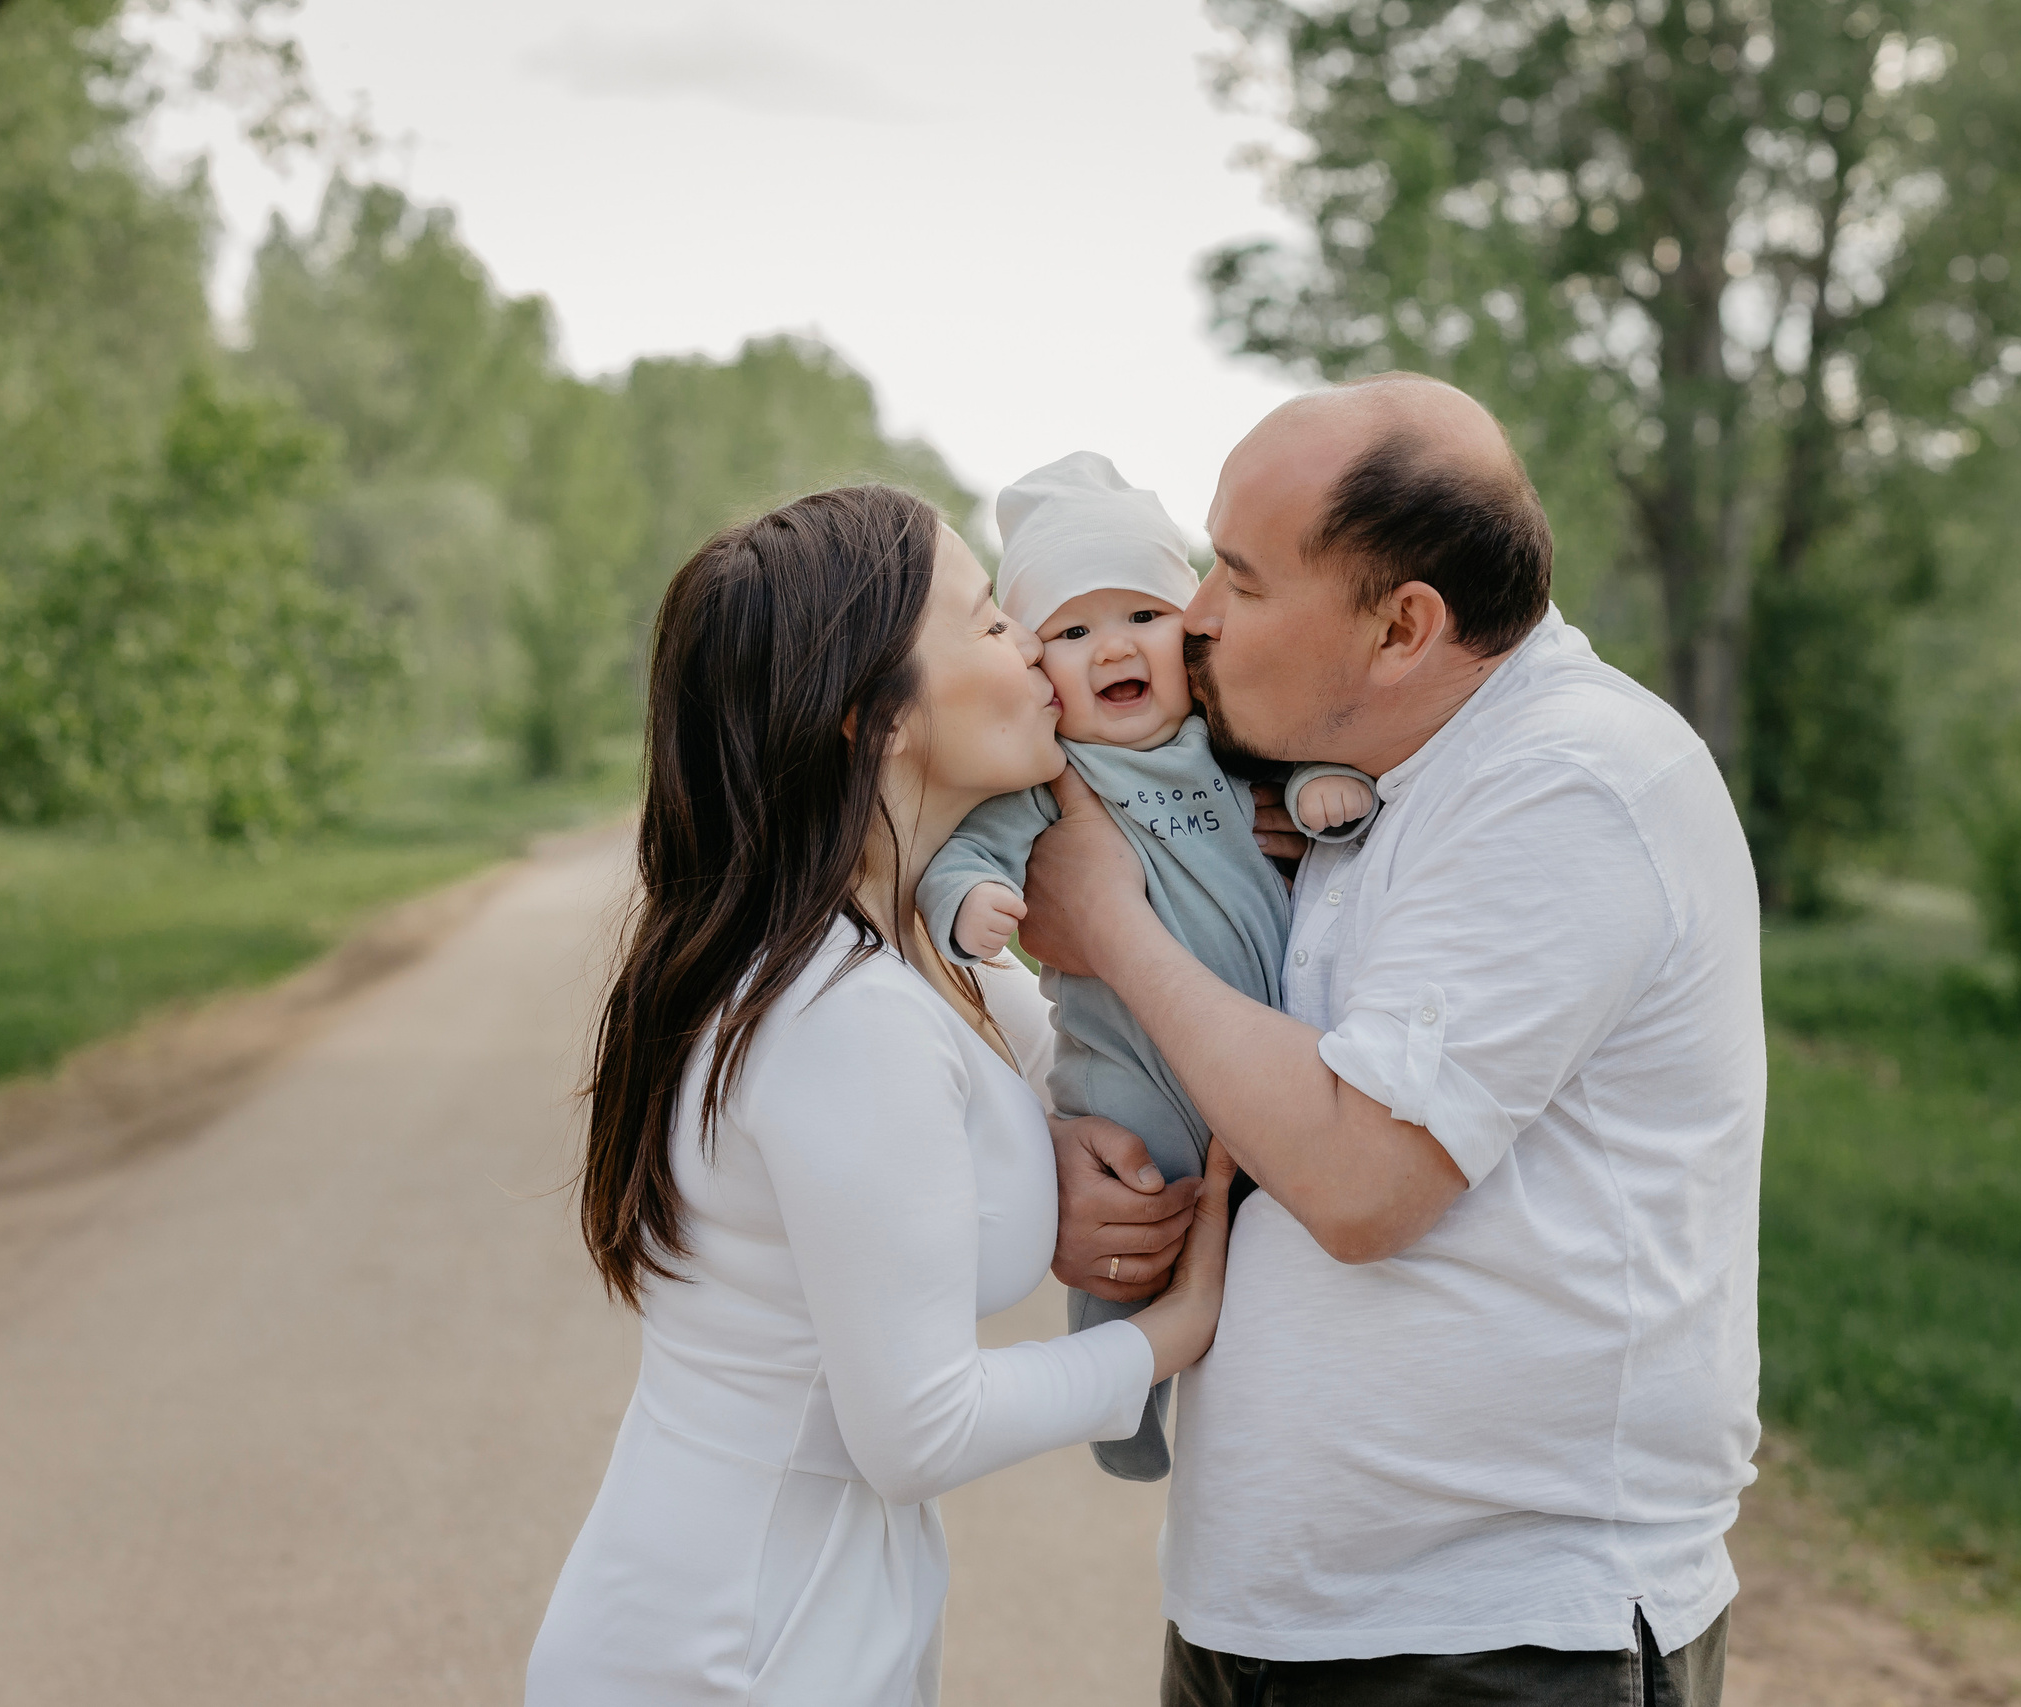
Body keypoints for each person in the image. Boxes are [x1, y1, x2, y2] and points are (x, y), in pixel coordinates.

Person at [1023, 377, 1763, 1705]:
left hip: (1493, 1643)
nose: (1192, 618)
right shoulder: (1377, 776)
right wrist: (1081, 1155)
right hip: (1282, 1608)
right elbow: (1255, 1075)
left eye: (1240, 583)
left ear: (1402, 625)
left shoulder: (1568, 782)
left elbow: (1363, 1179)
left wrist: (1114, 922)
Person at [525, 485, 1238, 1707]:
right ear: (877, 719)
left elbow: (1039, 1075)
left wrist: (1059, 1144)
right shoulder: (838, 1012)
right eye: (988, 626)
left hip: (797, 1614)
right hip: (737, 1652)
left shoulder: (902, 950)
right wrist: (1172, 1332)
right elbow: (917, 1430)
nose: (1036, 649)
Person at [915, 450, 1373, 1482]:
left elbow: (1306, 779)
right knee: (1140, 1194)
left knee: (1264, 1221)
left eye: (1141, 617)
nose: (1111, 647)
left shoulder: (1229, 738)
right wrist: (970, 901)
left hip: (1261, 1040)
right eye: (1072, 633)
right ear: (1040, 668)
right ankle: (1120, 1392)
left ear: (1188, 631)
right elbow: (970, 855)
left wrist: (1319, 799)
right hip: (1127, 1059)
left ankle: (1246, 1378)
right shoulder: (1057, 772)